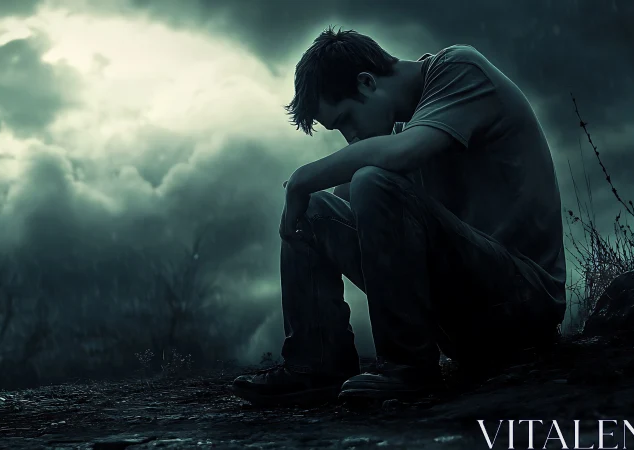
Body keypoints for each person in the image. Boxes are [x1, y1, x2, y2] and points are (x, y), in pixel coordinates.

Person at [231, 26, 567, 406]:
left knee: (368, 180)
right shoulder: (403, 130)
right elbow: (354, 204)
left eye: (346, 120)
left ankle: (408, 368)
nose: (349, 136)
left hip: (524, 304)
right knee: (315, 211)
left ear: (367, 82)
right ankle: (317, 367)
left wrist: (302, 180)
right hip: (462, 318)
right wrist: (313, 204)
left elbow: (396, 158)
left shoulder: (459, 68)